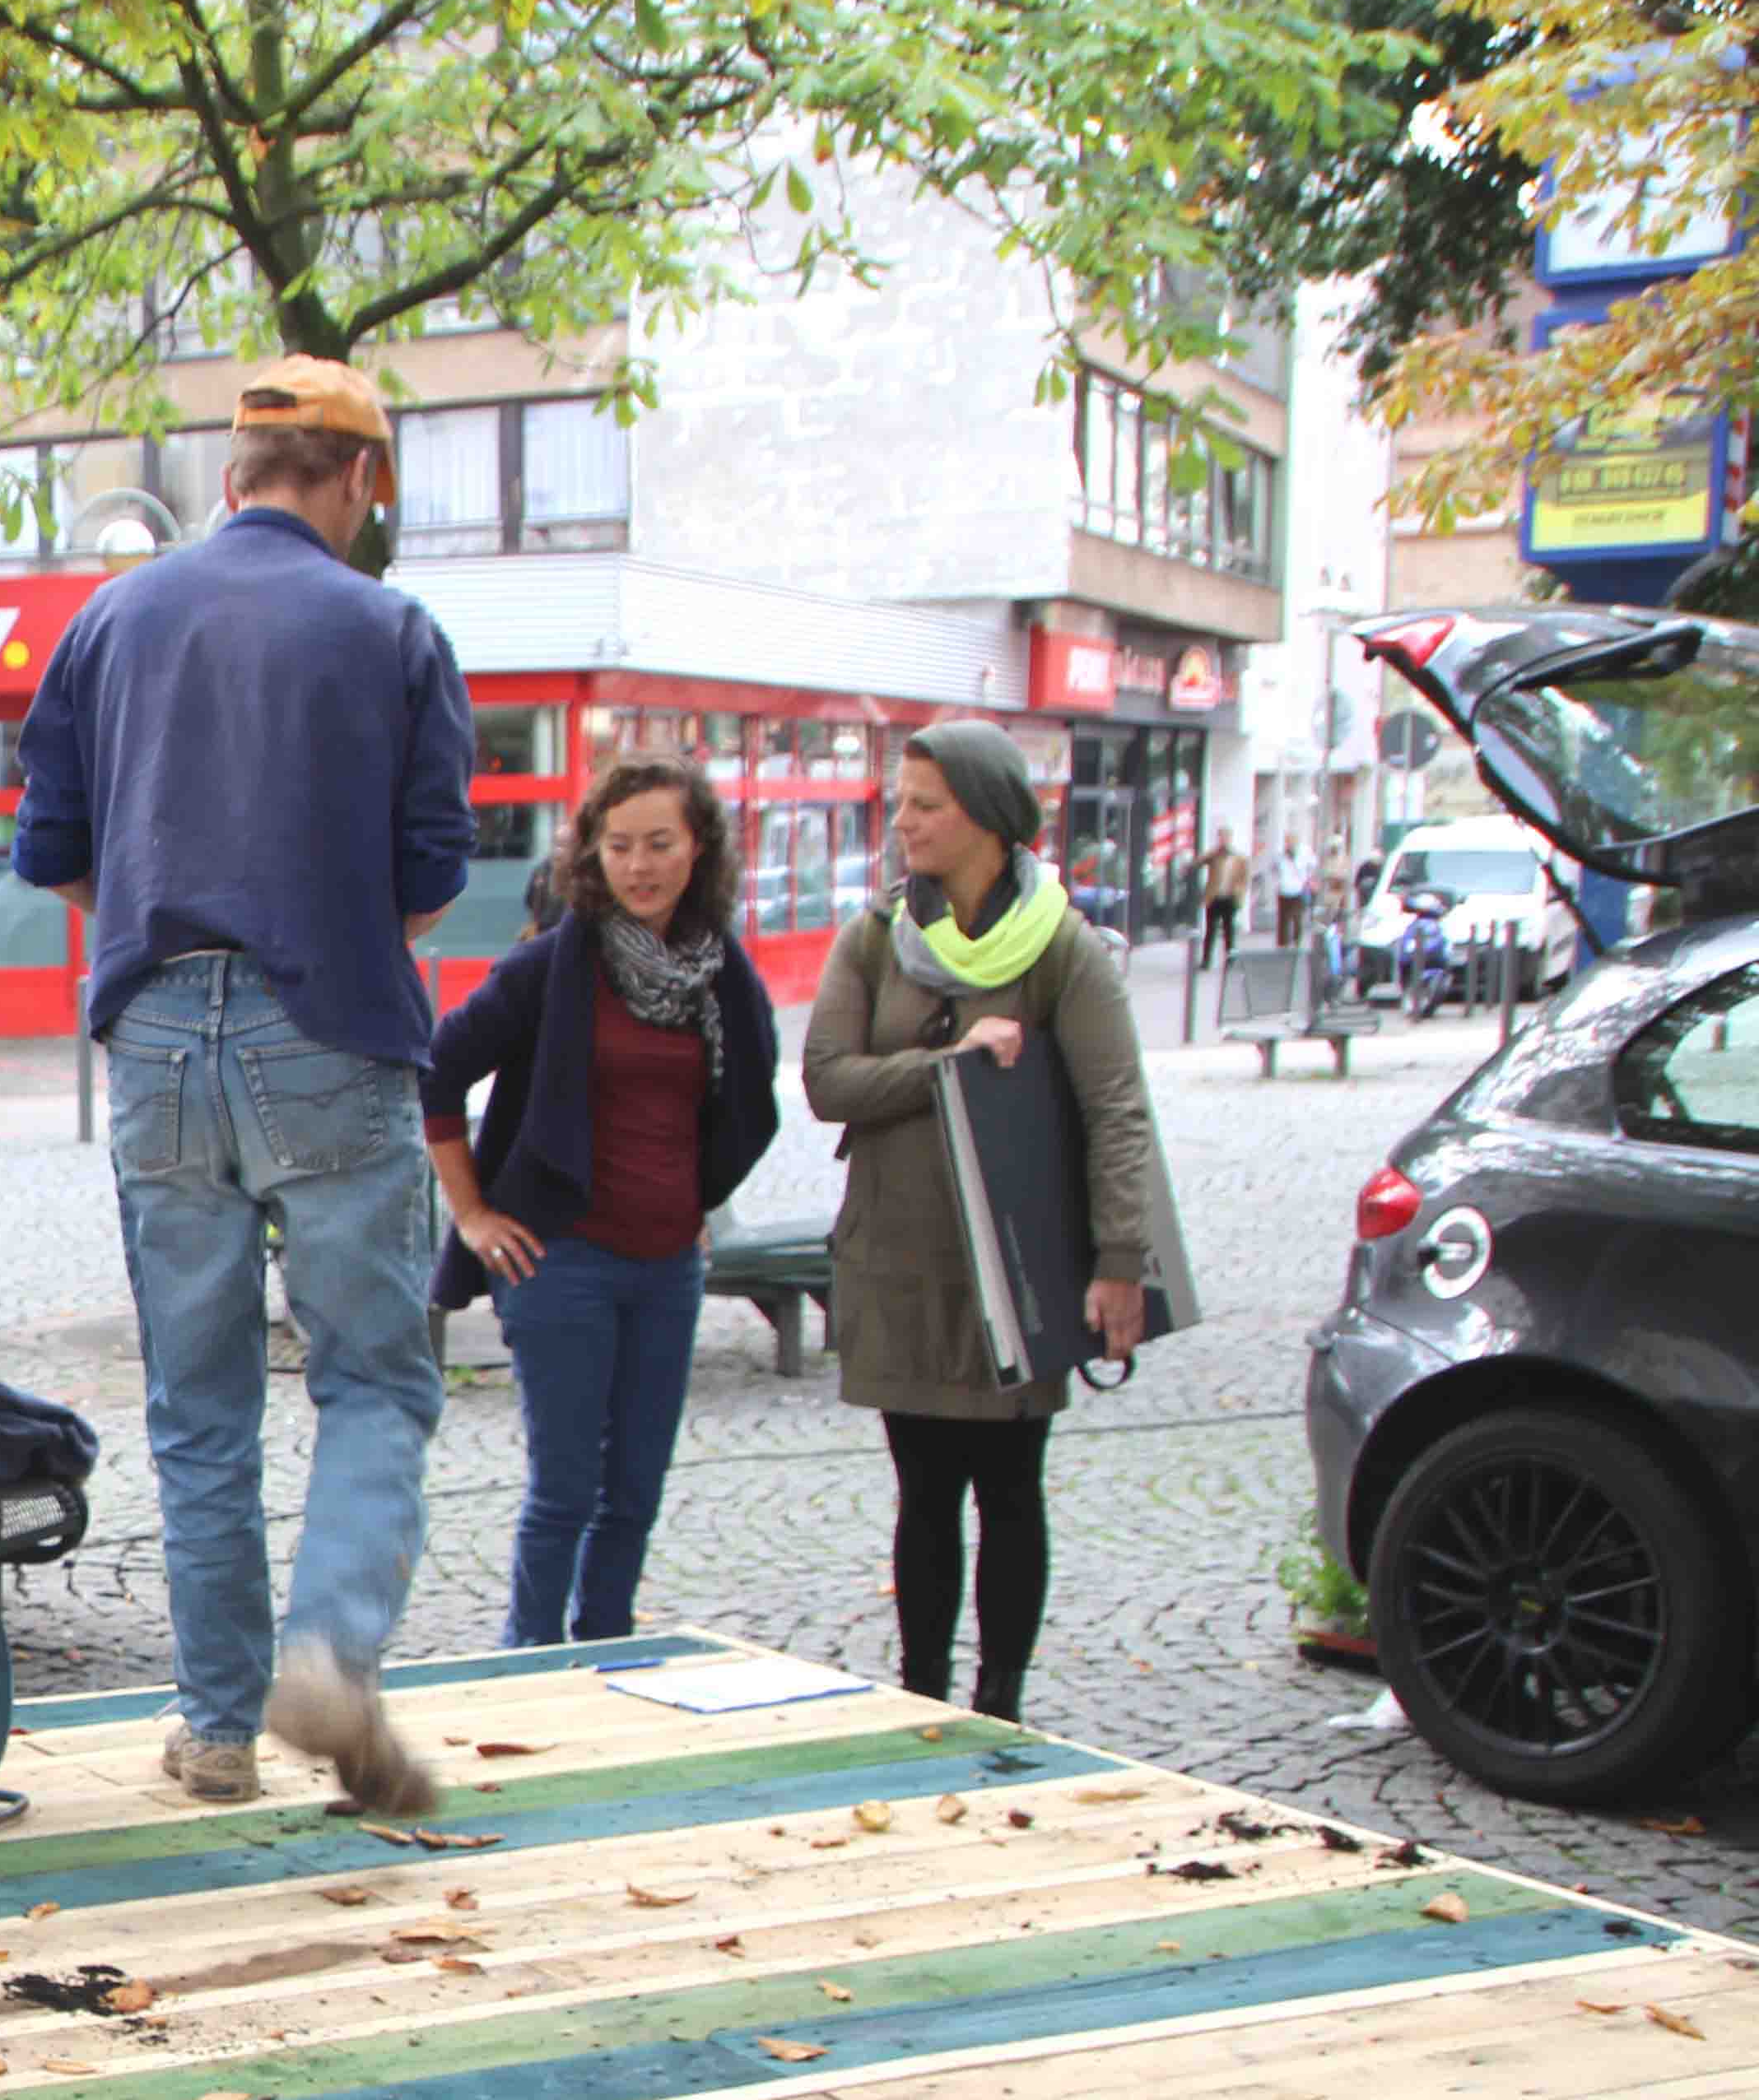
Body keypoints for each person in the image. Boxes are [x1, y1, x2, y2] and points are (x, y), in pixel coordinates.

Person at [9, 352, 476, 1809]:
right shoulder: (390, 627)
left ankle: (214, 1728)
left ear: (227, 476)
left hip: (152, 1033)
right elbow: (426, 882)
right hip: (325, 1026)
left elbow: (52, 854)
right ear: (353, 481)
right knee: (374, 1383)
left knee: (198, 1406)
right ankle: (328, 1652)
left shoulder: (112, 614)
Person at [801, 724, 1157, 1721]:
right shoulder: (874, 937)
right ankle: (922, 1701)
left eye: (926, 804)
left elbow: (1116, 1107)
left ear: (990, 820)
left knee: (1009, 1489)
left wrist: (1119, 1257)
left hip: (1016, 1264)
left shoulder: (1060, 948)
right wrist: (946, 1068)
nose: (902, 821)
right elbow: (829, 1081)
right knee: (923, 1492)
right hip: (901, 1257)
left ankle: (1000, 1701)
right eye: (901, 800)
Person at [421, 755, 781, 1645]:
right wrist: (471, 1214)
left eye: (660, 843)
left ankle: (610, 1652)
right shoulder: (550, 968)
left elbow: (752, 1102)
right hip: (561, 1262)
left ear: (698, 849)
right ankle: (530, 1667)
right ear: (593, 856)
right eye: (619, 845)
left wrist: (698, 1196)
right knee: (566, 1489)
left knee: (635, 1493)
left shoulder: (719, 972)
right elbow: (433, 1072)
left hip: (667, 1267)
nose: (639, 865)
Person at [1200, 834, 1249, 969]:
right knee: (1210, 931)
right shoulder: (1214, 856)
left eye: (1226, 838)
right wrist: (1213, 851)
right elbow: (1199, 862)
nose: (1224, 841)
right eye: (1221, 838)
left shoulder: (1239, 859)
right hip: (1214, 898)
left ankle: (1230, 960)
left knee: (1229, 931)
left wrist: (1240, 896)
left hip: (1230, 898)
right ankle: (1206, 960)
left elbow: (1244, 879)